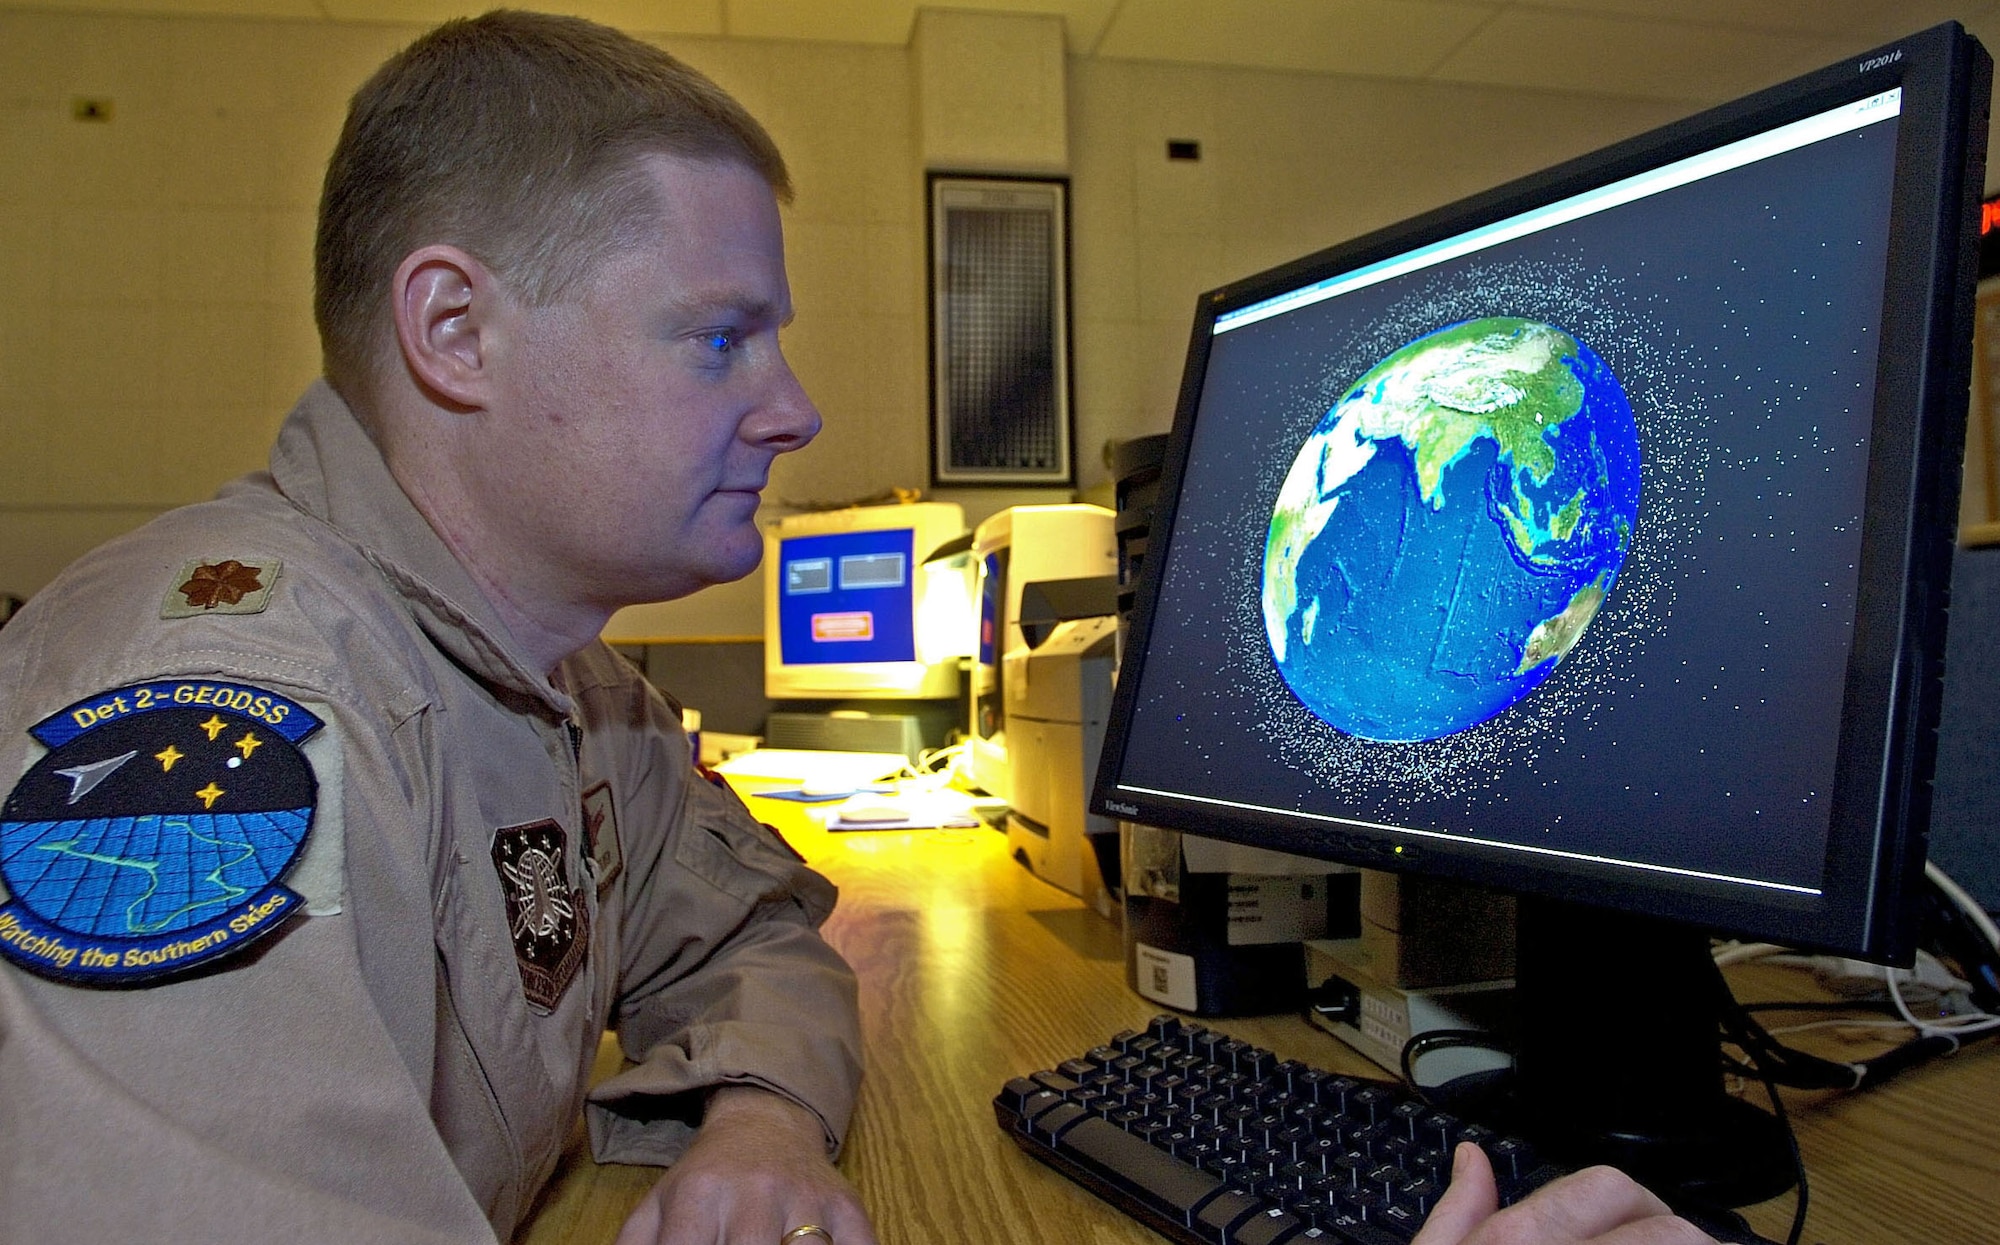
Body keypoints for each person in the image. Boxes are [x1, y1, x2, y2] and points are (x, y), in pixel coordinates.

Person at [0, 10, 1717, 1245]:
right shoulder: (207, 736)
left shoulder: (566, 689)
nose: (797, 408)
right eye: (721, 337)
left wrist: (754, 1111)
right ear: (457, 330)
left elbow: (758, 941)